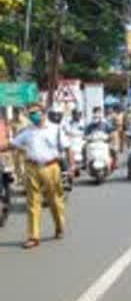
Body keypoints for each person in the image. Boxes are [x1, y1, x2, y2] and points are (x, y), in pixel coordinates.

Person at [6, 103, 70, 249]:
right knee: (32, 203)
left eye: (35, 112)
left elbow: (67, 147)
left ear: (43, 113)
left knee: (54, 200)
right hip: (32, 168)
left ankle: (59, 226)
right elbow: (13, 144)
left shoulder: (55, 129)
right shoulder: (27, 132)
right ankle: (33, 237)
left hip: (51, 167)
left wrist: (70, 167)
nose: (32, 116)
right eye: (30, 113)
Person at [10, 107, 29, 184]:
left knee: (25, 165)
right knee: (17, 165)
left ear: (19, 112)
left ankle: (25, 182)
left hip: (25, 147)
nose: (15, 115)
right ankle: (20, 180)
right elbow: (12, 133)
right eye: (14, 113)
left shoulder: (26, 121)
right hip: (16, 146)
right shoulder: (12, 122)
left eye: (16, 113)